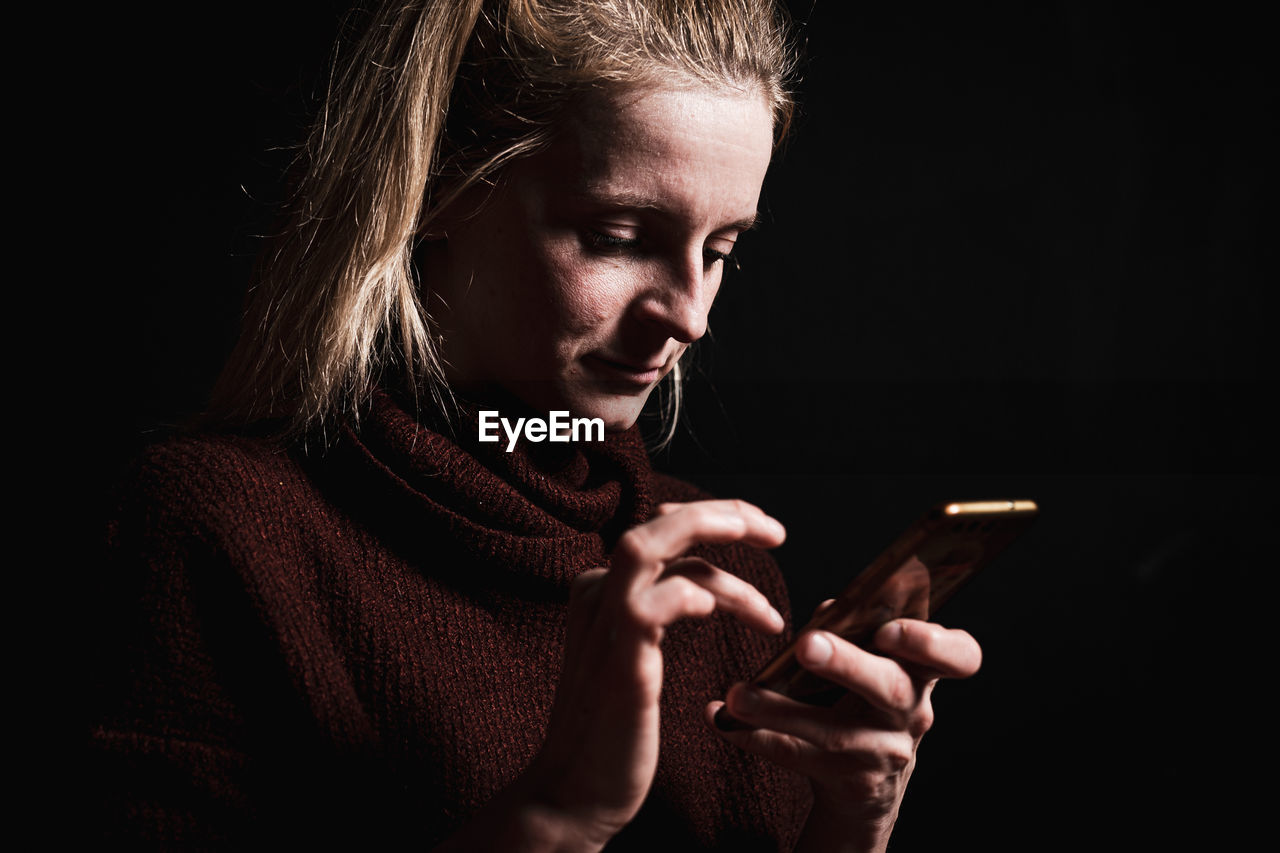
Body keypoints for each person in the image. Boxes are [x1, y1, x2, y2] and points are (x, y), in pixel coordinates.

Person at [91, 1, 982, 849]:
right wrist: (559, 813)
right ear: (437, 186)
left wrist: (851, 823)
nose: (690, 315)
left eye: (720, 253)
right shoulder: (214, 528)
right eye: (621, 235)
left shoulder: (725, 579)